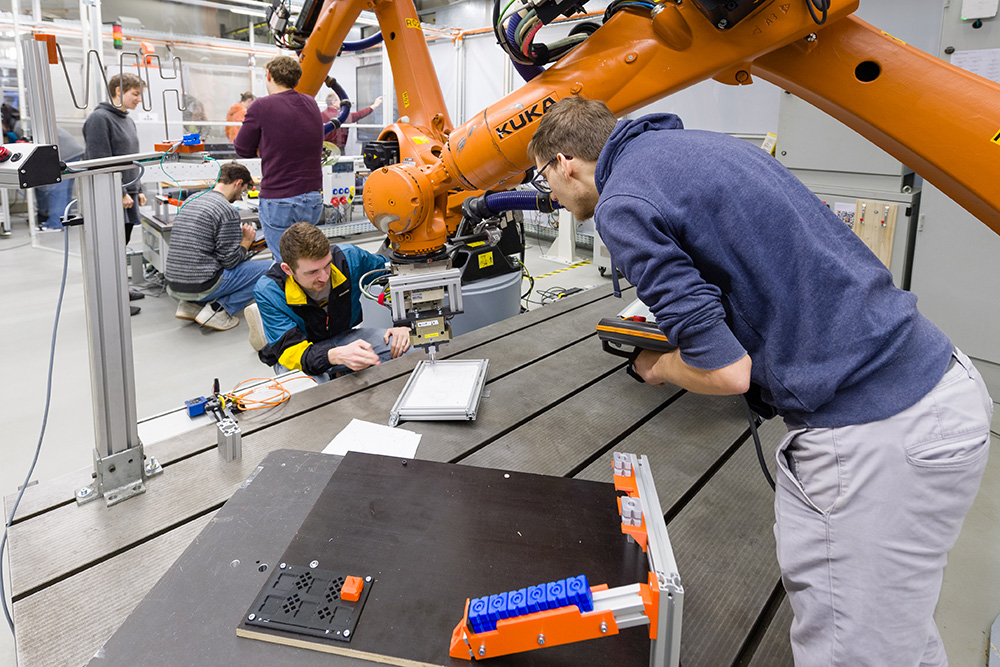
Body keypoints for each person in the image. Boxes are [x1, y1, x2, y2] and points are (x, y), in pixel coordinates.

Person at [527, 97, 993, 667]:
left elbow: (726, 374)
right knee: (897, 631)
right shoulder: (706, 147)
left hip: (873, 435)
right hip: (941, 386)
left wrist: (661, 367)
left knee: (850, 651)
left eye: (544, 176)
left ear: (566, 161)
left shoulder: (622, 202)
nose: (549, 193)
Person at [251, 221, 410, 378]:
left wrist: (403, 322)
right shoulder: (269, 291)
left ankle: (340, 370)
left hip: (344, 337)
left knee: (411, 347)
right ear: (288, 269)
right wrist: (333, 356)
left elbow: (392, 275)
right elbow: (292, 352)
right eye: (313, 272)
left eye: (327, 265)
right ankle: (268, 328)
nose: (324, 277)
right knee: (306, 391)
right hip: (300, 351)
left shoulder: (349, 259)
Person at [234, 56, 323, 263]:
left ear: (269, 75)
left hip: (280, 199)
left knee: (284, 262)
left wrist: (263, 148)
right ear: (296, 80)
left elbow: (241, 148)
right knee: (307, 261)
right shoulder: (310, 103)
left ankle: (286, 296)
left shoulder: (261, 106)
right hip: (312, 198)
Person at [164, 161, 269, 331]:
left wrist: (245, 248)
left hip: (174, 283)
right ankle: (219, 312)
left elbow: (204, 247)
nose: (240, 196)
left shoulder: (192, 198)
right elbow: (230, 262)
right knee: (270, 269)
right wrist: (246, 242)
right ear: (238, 183)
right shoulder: (227, 210)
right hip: (202, 284)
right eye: (242, 191)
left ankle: (190, 306)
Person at [83, 72, 147, 315]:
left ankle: (121, 288)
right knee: (109, 248)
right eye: (135, 94)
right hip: (111, 196)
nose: (139, 99)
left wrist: (136, 189)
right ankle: (112, 302)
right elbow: (100, 161)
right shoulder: (100, 119)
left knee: (122, 244)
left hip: (127, 195)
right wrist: (119, 191)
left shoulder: (127, 120)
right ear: (119, 91)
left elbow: (130, 160)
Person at [36, 127, 85, 231]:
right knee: (64, 191)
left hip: (64, 155)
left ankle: (55, 224)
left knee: (56, 191)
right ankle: (65, 220)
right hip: (73, 154)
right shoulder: (32, 121)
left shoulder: (20, 126)